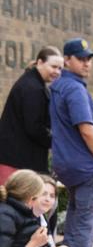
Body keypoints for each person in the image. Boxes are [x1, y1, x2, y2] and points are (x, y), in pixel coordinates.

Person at [0, 47, 63, 182]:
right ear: (40, 62)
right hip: (18, 163)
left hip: (17, 160)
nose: (57, 72)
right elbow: (34, 128)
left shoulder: (32, 83)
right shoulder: (33, 88)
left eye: (60, 68)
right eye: (53, 67)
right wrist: (59, 142)